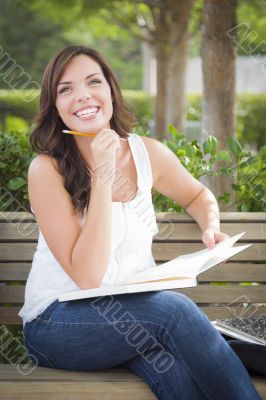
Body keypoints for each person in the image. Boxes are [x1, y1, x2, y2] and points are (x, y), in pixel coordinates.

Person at [18, 45, 261, 400]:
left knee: (175, 371)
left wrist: (209, 225)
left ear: (111, 92)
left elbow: (198, 196)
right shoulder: (46, 170)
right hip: (58, 324)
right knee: (173, 309)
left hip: (132, 318)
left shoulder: (147, 153)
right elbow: (88, 277)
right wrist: (102, 173)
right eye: (65, 89)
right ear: (55, 106)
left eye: (93, 82)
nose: (82, 95)